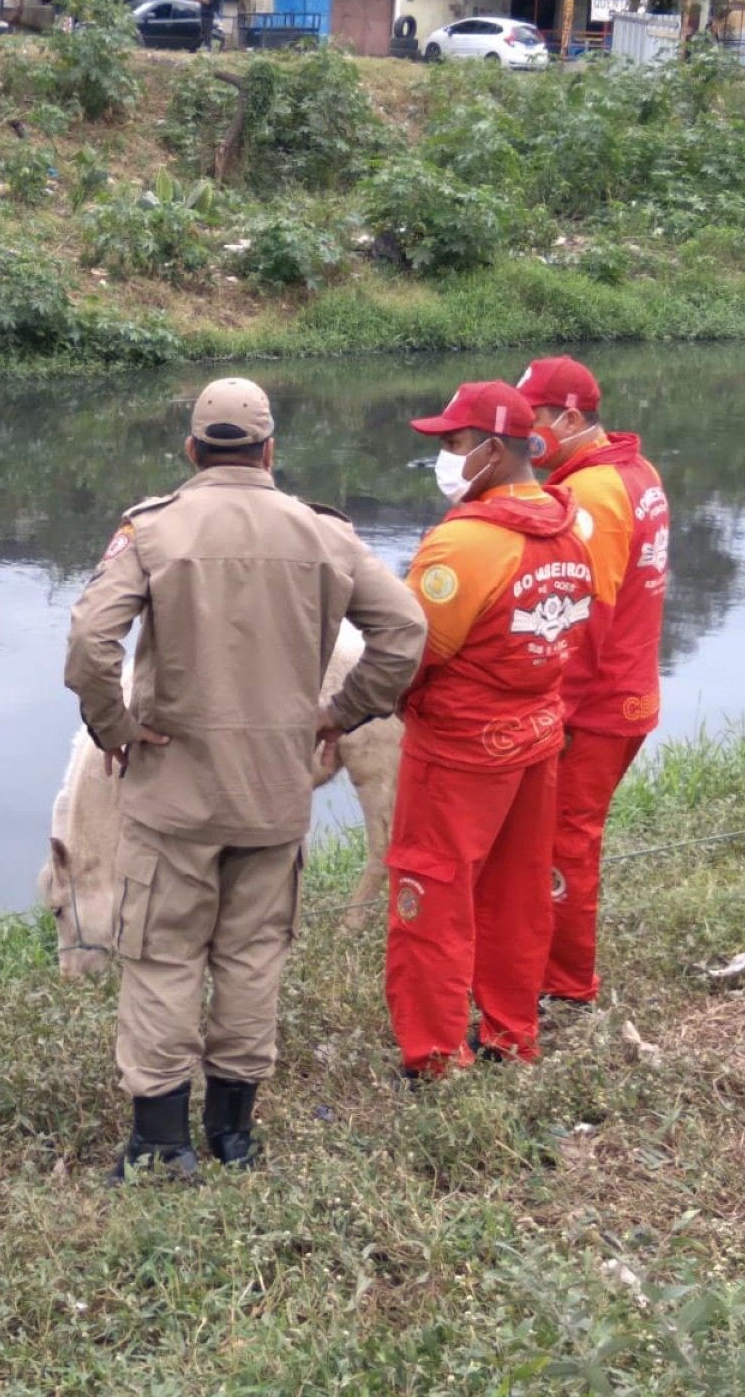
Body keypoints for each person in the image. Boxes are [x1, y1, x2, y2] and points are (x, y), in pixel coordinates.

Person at [65, 378, 425, 1179]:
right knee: (254, 957)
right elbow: (404, 631)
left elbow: (90, 640)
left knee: (162, 959)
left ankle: (161, 1145)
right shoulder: (323, 533)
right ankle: (233, 1137)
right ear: (268, 452)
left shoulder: (151, 530)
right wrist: (340, 712)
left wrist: (116, 729)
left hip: (172, 796)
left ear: (193, 451)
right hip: (273, 796)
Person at [386, 381, 593, 1076]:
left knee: (432, 896)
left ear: (496, 451)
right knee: (518, 893)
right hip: (537, 735)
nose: (445, 459)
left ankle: (436, 1055)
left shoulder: (465, 546)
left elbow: (409, 657)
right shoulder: (570, 526)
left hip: (458, 752)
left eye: (454, 444)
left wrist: (348, 708)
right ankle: (512, 1034)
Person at [519, 357, 669, 1011]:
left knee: (564, 844)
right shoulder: (637, 472)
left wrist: (552, 713)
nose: (523, 440)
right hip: (630, 692)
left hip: (599, 706)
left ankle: (566, 988)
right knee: (567, 839)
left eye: (533, 424)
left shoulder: (597, 496)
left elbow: (586, 616)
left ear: (571, 419)